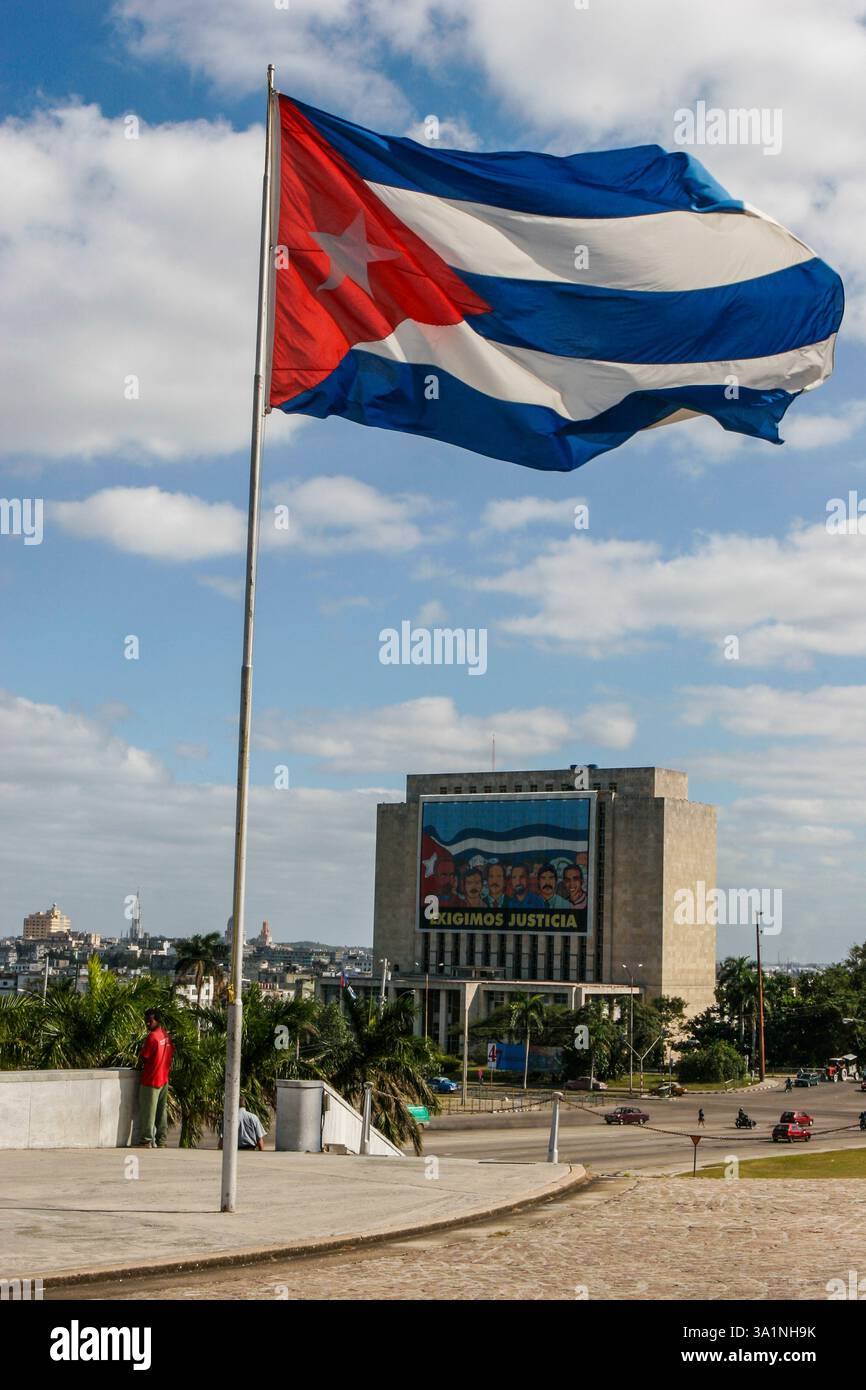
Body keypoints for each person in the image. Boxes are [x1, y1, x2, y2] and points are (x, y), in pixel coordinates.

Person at [135, 1009, 174, 1149]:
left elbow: (143, 1057)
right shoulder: (166, 1036)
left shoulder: (152, 1037)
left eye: (150, 1021)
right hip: (163, 1078)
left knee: (148, 1111)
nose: (147, 1023)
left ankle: (146, 1140)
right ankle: (161, 1140)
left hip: (151, 1079)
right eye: (146, 1020)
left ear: (157, 1020)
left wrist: (137, 1067)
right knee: (161, 1111)